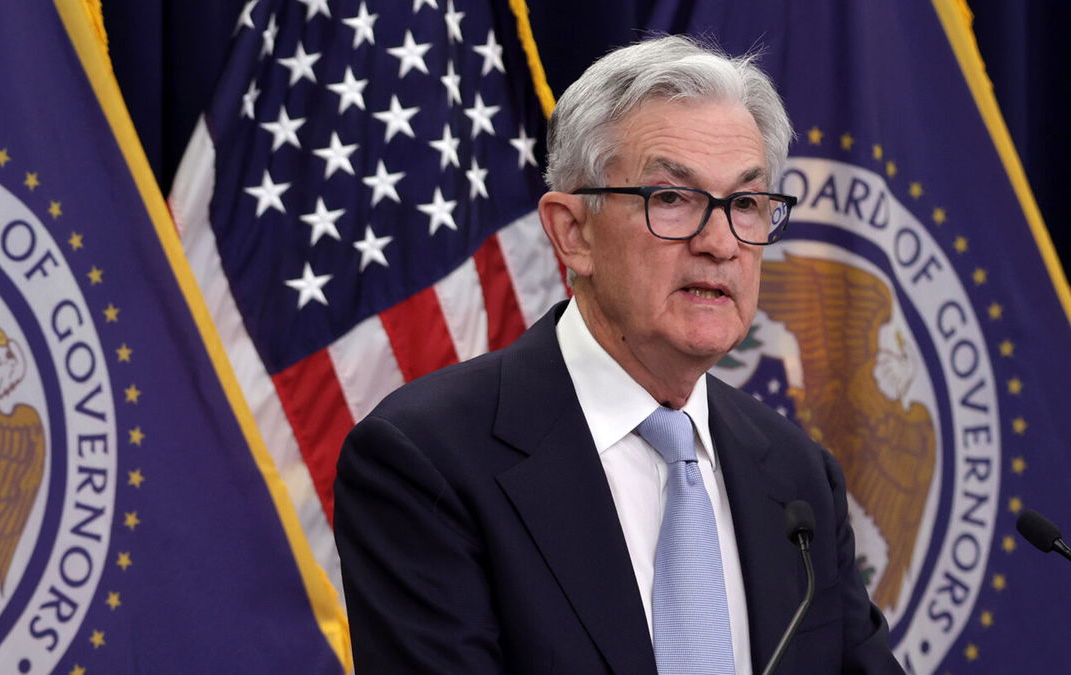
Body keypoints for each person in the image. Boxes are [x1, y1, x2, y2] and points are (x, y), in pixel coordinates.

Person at [333, 35, 903, 675]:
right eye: (671, 198)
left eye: (745, 203)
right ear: (572, 232)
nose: (721, 242)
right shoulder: (427, 461)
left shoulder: (798, 477)